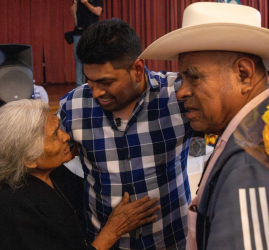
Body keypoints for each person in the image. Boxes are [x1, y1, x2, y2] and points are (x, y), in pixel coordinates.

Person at [140, 2, 269, 249]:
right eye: (182, 79)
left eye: (194, 76)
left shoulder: (250, 165)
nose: (181, 92)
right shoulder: (263, 125)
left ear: (244, 75)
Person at [57, 19, 193, 249]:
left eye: (106, 82)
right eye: (89, 81)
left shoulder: (178, 96)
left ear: (137, 69)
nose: (96, 92)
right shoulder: (72, 106)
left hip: (172, 240)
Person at [0, 99, 160, 250]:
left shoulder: (53, 173)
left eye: (59, 128)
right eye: (55, 135)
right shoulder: (15, 210)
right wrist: (113, 230)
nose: (67, 136)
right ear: (29, 159)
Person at [71, 0, 103, 87]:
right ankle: (79, 86)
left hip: (92, 32)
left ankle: (94, 83)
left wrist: (86, 3)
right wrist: (76, 1)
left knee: (93, 58)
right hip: (79, 32)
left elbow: (98, 12)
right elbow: (73, 11)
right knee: (78, 59)